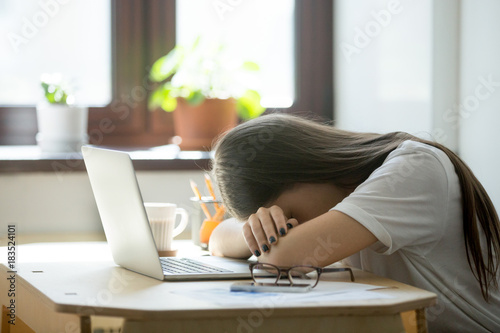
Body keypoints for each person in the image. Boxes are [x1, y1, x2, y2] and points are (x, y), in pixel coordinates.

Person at [208, 113, 500, 332]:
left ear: (304, 169)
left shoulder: (413, 167)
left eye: (287, 216)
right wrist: (252, 230)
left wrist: (269, 240)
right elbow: (216, 238)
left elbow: (283, 257)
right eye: (282, 224)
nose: (293, 227)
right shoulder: (349, 198)